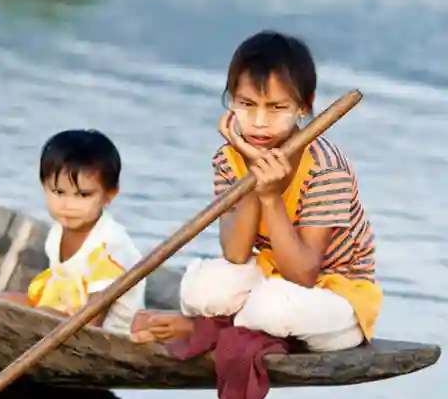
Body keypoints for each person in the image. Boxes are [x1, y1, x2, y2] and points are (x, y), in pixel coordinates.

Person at [131, 30, 383, 352]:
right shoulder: (228, 158)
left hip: (335, 294)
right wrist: (252, 174)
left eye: (277, 107)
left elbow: (304, 274)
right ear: (231, 102)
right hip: (270, 277)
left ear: (304, 108)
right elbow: (235, 254)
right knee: (201, 290)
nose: (260, 122)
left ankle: (208, 329)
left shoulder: (325, 168)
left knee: (273, 308)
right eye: (247, 105)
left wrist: (270, 196)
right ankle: (225, 323)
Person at [0, 129, 145, 336]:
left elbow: (92, 322)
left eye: (83, 195)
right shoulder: (57, 234)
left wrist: (42, 314)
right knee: (2, 301)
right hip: (65, 313)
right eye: (58, 192)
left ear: (109, 195)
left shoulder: (110, 248)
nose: (67, 205)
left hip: (104, 335)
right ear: (43, 186)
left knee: (41, 315)